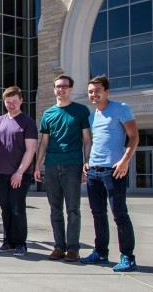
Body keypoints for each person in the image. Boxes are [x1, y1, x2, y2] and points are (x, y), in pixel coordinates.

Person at [81, 76, 139, 272]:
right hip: (94, 171)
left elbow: (133, 137)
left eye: (97, 90)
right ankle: (100, 252)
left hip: (113, 170)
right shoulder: (92, 115)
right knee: (98, 214)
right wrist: (87, 162)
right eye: (90, 91)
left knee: (120, 214)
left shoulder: (121, 108)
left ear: (107, 91)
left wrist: (124, 161)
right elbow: (94, 142)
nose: (93, 94)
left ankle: (127, 257)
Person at [34, 75, 91, 262]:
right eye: (58, 87)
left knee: (73, 209)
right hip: (51, 166)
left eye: (65, 87)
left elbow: (87, 140)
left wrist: (86, 162)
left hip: (72, 164)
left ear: (71, 89)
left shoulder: (81, 111)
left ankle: (73, 248)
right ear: (54, 89)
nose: (61, 89)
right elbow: (43, 143)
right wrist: (37, 165)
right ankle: (59, 246)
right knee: (55, 209)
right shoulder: (48, 114)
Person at [0, 86, 38, 257]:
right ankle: (7, 241)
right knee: (5, 209)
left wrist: (19, 172)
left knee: (18, 209)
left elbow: (30, 150)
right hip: (0, 173)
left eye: (14, 102)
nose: (11, 105)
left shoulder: (28, 122)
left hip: (19, 174)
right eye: (8, 102)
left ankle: (20, 244)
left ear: (21, 101)